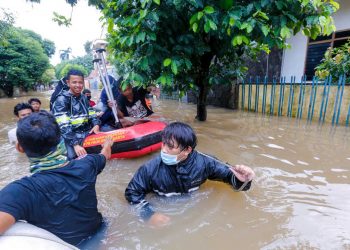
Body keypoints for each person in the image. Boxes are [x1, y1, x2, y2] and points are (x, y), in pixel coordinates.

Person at [0, 111, 114, 246]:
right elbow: (104, 155)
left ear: (19, 148)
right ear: (61, 139)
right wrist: (107, 144)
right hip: (101, 234)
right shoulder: (88, 164)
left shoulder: (20, 191)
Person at [125, 122, 255, 227]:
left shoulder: (205, 163)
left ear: (187, 150)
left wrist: (243, 180)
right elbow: (132, 193)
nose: (163, 149)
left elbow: (230, 177)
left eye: (170, 147)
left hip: (194, 213)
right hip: (163, 209)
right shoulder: (149, 169)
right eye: (163, 143)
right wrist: (149, 214)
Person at [52, 69, 101, 160]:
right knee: (71, 157)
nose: (78, 85)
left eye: (80, 82)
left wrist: (96, 124)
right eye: (74, 82)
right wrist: (75, 144)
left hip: (86, 132)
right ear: (68, 83)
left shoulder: (84, 97)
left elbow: (91, 113)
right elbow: (63, 126)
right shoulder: (61, 100)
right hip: (70, 136)